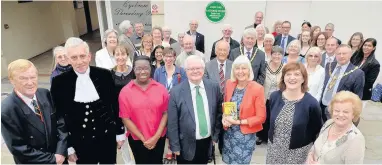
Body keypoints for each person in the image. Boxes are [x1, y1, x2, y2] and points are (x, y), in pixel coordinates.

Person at [50, 37, 125, 164]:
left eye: (82, 56)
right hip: (80, 143)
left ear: (89, 56)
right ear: (68, 59)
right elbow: (59, 117)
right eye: (74, 57)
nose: (79, 61)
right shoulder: (59, 82)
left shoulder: (104, 75)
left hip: (107, 138)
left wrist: (120, 132)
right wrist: (68, 147)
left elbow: (115, 105)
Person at [1, 59, 67, 164]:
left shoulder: (45, 94)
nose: (30, 82)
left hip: (60, 158)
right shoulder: (7, 110)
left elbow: (60, 123)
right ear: (11, 80)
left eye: (33, 77)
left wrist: (61, 151)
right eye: (23, 78)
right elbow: (19, 148)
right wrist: (53, 159)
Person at [167, 55, 223, 164]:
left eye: (198, 68)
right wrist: (175, 146)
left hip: (206, 143)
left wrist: (215, 136)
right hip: (185, 145)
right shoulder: (176, 92)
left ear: (203, 69)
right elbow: (172, 122)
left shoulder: (214, 87)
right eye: (191, 69)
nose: (195, 71)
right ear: (185, 71)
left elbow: (218, 113)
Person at [266, 62, 323, 164]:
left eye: (297, 74)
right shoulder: (274, 97)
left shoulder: (311, 103)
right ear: (283, 77)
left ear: (303, 78)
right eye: (288, 74)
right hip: (274, 150)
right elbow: (270, 121)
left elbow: (317, 130)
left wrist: (314, 153)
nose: (292, 78)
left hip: (297, 153)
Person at [119, 55, 169, 164]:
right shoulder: (125, 92)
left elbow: (165, 113)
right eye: (138, 68)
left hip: (159, 138)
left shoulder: (161, 89)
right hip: (137, 139)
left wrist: (156, 137)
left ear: (151, 68)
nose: (142, 71)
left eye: (146, 68)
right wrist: (143, 139)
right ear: (133, 69)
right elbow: (125, 118)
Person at [221, 55, 266, 164]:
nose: (240, 71)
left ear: (249, 70)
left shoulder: (257, 88)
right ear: (233, 70)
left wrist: (238, 122)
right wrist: (224, 117)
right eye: (237, 68)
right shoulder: (229, 84)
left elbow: (261, 117)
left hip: (245, 136)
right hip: (229, 134)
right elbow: (226, 104)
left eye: (244, 68)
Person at [306, 91, 365, 164]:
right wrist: (310, 155)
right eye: (337, 111)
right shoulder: (328, 123)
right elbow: (316, 146)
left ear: (353, 114)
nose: (340, 115)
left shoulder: (356, 140)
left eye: (345, 112)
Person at [153, 47, 187, 160]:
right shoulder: (158, 71)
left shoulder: (181, 71)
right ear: (163, 57)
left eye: (171, 56)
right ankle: (168, 148)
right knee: (165, 126)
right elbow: (155, 87)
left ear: (174, 57)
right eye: (166, 56)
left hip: (176, 103)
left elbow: (184, 88)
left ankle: (174, 147)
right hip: (162, 103)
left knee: (174, 125)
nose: (168, 59)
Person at [320, 44, 365, 122]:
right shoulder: (329, 66)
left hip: (339, 111)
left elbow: (357, 97)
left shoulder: (357, 73)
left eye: (344, 53)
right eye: (339, 54)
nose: (341, 56)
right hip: (322, 106)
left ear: (350, 55)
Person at [110, 45, 134, 164]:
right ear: (113, 56)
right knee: (122, 140)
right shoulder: (110, 74)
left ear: (127, 55)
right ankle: (127, 162)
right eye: (117, 54)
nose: (120, 57)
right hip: (118, 112)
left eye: (123, 54)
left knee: (135, 138)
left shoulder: (134, 72)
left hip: (134, 112)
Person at [256, 46, 284, 145]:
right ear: (271, 55)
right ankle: (260, 136)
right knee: (263, 117)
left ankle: (271, 136)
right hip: (264, 96)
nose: (276, 56)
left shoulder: (284, 67)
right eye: (274, 54)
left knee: (274, 118)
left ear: (282, 55)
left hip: (277, 98)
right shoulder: (265, 65)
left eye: (279, 54)